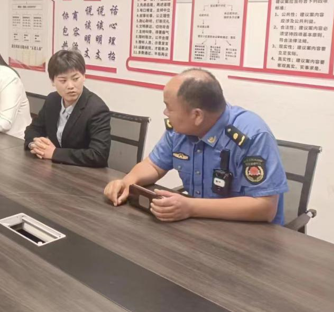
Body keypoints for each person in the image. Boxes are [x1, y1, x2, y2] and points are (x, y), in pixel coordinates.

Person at [103, 68, 289, 224]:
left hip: (250, 236)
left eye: (169, 107)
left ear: (197, 115)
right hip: (200, 225)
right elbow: (153, 165)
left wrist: (191, 207)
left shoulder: (252, 135)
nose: (165, 112)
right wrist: (127, 182)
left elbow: (265, 207)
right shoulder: (180, 131)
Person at [24, 50, 111, 167]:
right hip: (56, 169)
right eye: (63, 81)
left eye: (75, 78)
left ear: (84, 76)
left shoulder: (96, 109)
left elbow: (99, 155)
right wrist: (35, 145)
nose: (70, 86)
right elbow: (33, 130)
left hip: (86, 173)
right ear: (53, 81)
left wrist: (54, 153)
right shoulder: (52, 100)